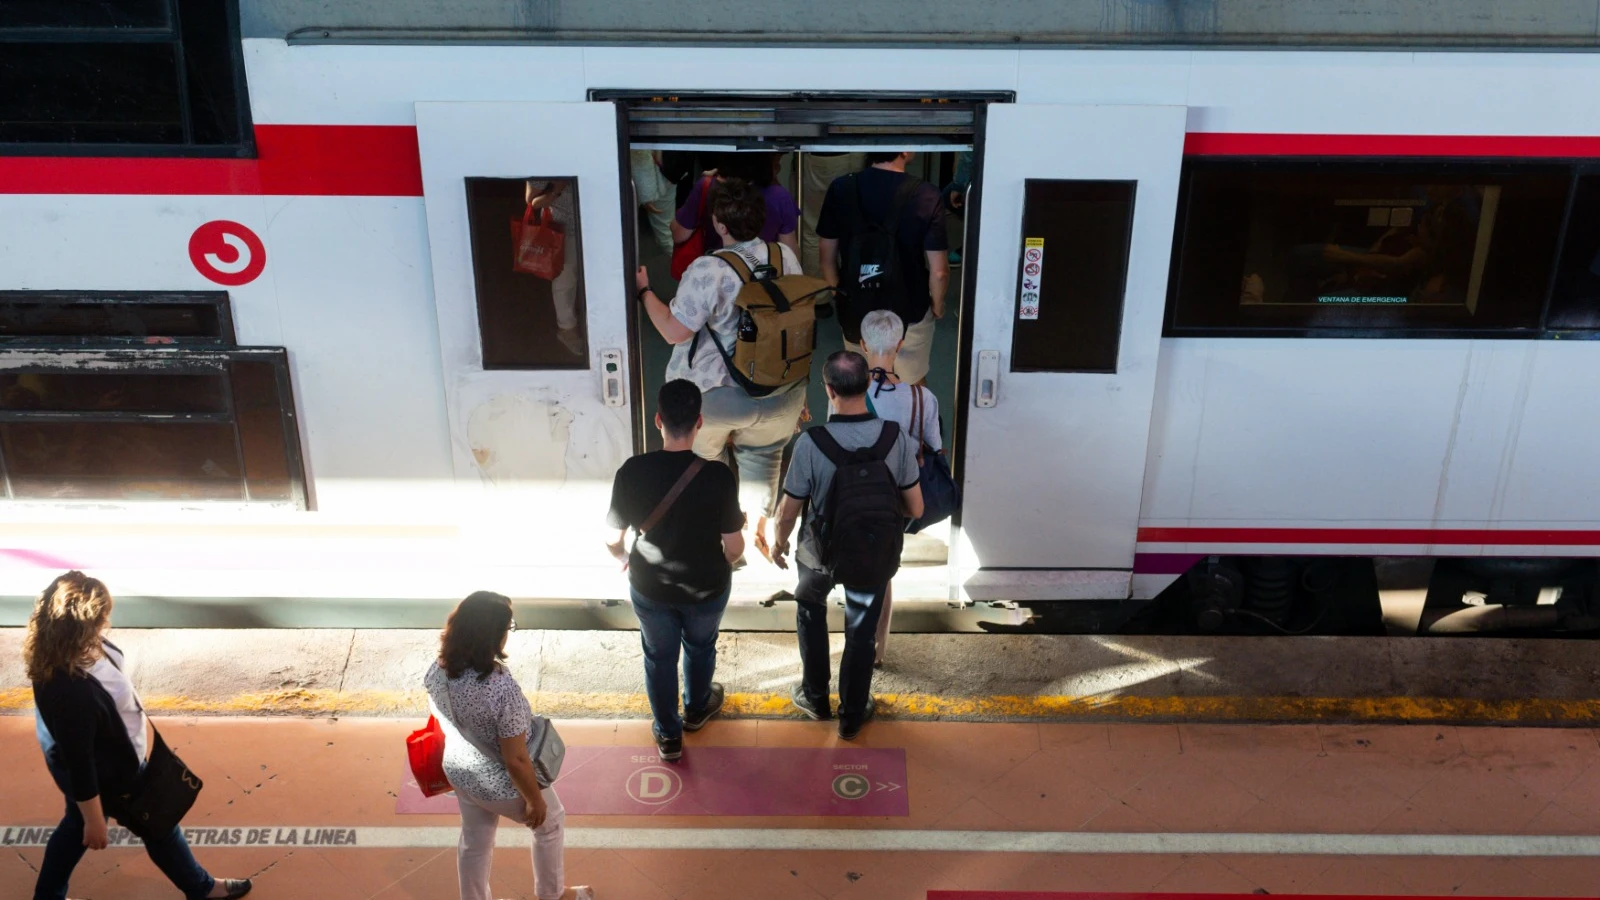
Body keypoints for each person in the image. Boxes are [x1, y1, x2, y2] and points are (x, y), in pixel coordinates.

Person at [26, 571, 252, 900]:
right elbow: (81, 763)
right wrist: (95, 821)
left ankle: (47, 896)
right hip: (114, 776)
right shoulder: (70, 692)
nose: (108, 624)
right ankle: (201, 888)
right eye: (102, 619)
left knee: (77, 827)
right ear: (83, 626)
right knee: (159, 826)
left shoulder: (64, 649)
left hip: (111, 761)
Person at [638, 178, 808, 561]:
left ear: (719, 224)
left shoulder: (708, 269)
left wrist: (645, 292)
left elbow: (674, 331)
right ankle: (759, 530)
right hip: (781, 392)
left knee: (706, 463)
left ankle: (720, 539)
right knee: (764, 456)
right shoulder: (784, 256)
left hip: (716, 396)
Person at [771, 351, 923, 740]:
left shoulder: (810, 443)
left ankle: (816, 697)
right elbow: (916, 507)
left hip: (818, 554)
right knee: (860, 630)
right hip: (872, 553)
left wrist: (779, 542)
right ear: (868, 385)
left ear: (829, 390)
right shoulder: (897, 438)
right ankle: (852, 716)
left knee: (810, 611)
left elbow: (789, 510)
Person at [604, 380, 744, 761]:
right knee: (700, 646)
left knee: (658, 656)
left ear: (657, 420)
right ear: (700, 422)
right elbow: (734, 546)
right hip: (707, 587)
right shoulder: (718, 476)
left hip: (651, 587)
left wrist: (622, 558)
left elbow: (612, 538)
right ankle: (697, 709)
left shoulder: (632, 471)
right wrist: (725, 563)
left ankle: (668, 735)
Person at [423, 592, 593, 900]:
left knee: (475, 843)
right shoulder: (500, 687)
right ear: (494, 635)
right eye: (508, 626)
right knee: (550, 824)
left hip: (461, 773)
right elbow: (515, 759)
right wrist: (534, 801)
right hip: (502, 785)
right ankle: (553, 895)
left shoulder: (438, 669)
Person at [816, 151, 950, 386]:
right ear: (906, 150)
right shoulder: (926, 194)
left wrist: (840, 293)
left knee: (859, 384)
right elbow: (939, 271)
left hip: (856, 307)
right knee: (911, 383)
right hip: (911, 307)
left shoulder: (841, 188)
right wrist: (937, 305)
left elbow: (826, 257)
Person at [857, 310, 945, 663]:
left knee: (860, 566)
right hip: (899, 499)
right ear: (901, 345)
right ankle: (879, 651)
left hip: (858, 494)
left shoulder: (847, 393)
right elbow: (935, 448)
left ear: (863, 346)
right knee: (885, 570)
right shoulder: (923, 399)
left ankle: (858, 640)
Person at [672, 153, 800, 260]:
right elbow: (790, 252)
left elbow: (679, 234)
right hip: (764, 279)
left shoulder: (708, 186)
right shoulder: (780, 197)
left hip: (717, 270)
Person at [525, 179, 584, 358]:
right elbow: (532, 202)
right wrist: (556, 189)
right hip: (563, 229)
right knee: (565, 278)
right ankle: (567, 329)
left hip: (596, 224)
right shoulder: (545, 163)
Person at [800, 151, 866, 278]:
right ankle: (849, 292)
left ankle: (820, 294)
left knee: (813, 233)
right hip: (850, 149)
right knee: (856, 231)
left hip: (813, 153)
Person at [630, 150, 677, 255]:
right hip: (664, 171)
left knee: (666, 232)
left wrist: (647, 193)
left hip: (662, 172)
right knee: (667, 230)